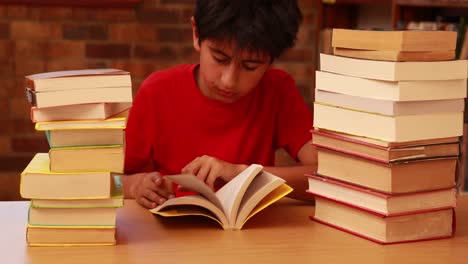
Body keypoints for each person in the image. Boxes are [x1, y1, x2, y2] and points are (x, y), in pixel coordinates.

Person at [122, 0, 317, 209]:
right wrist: (135, 186)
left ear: (271, 60)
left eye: (250, 66)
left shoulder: (277, 90)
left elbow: (332, 180)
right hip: (172, 234)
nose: (229, 81)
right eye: (219, 58)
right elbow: (105, 180)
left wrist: (244, 174)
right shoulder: (157, 92)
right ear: (196, 34)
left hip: (253, 236)